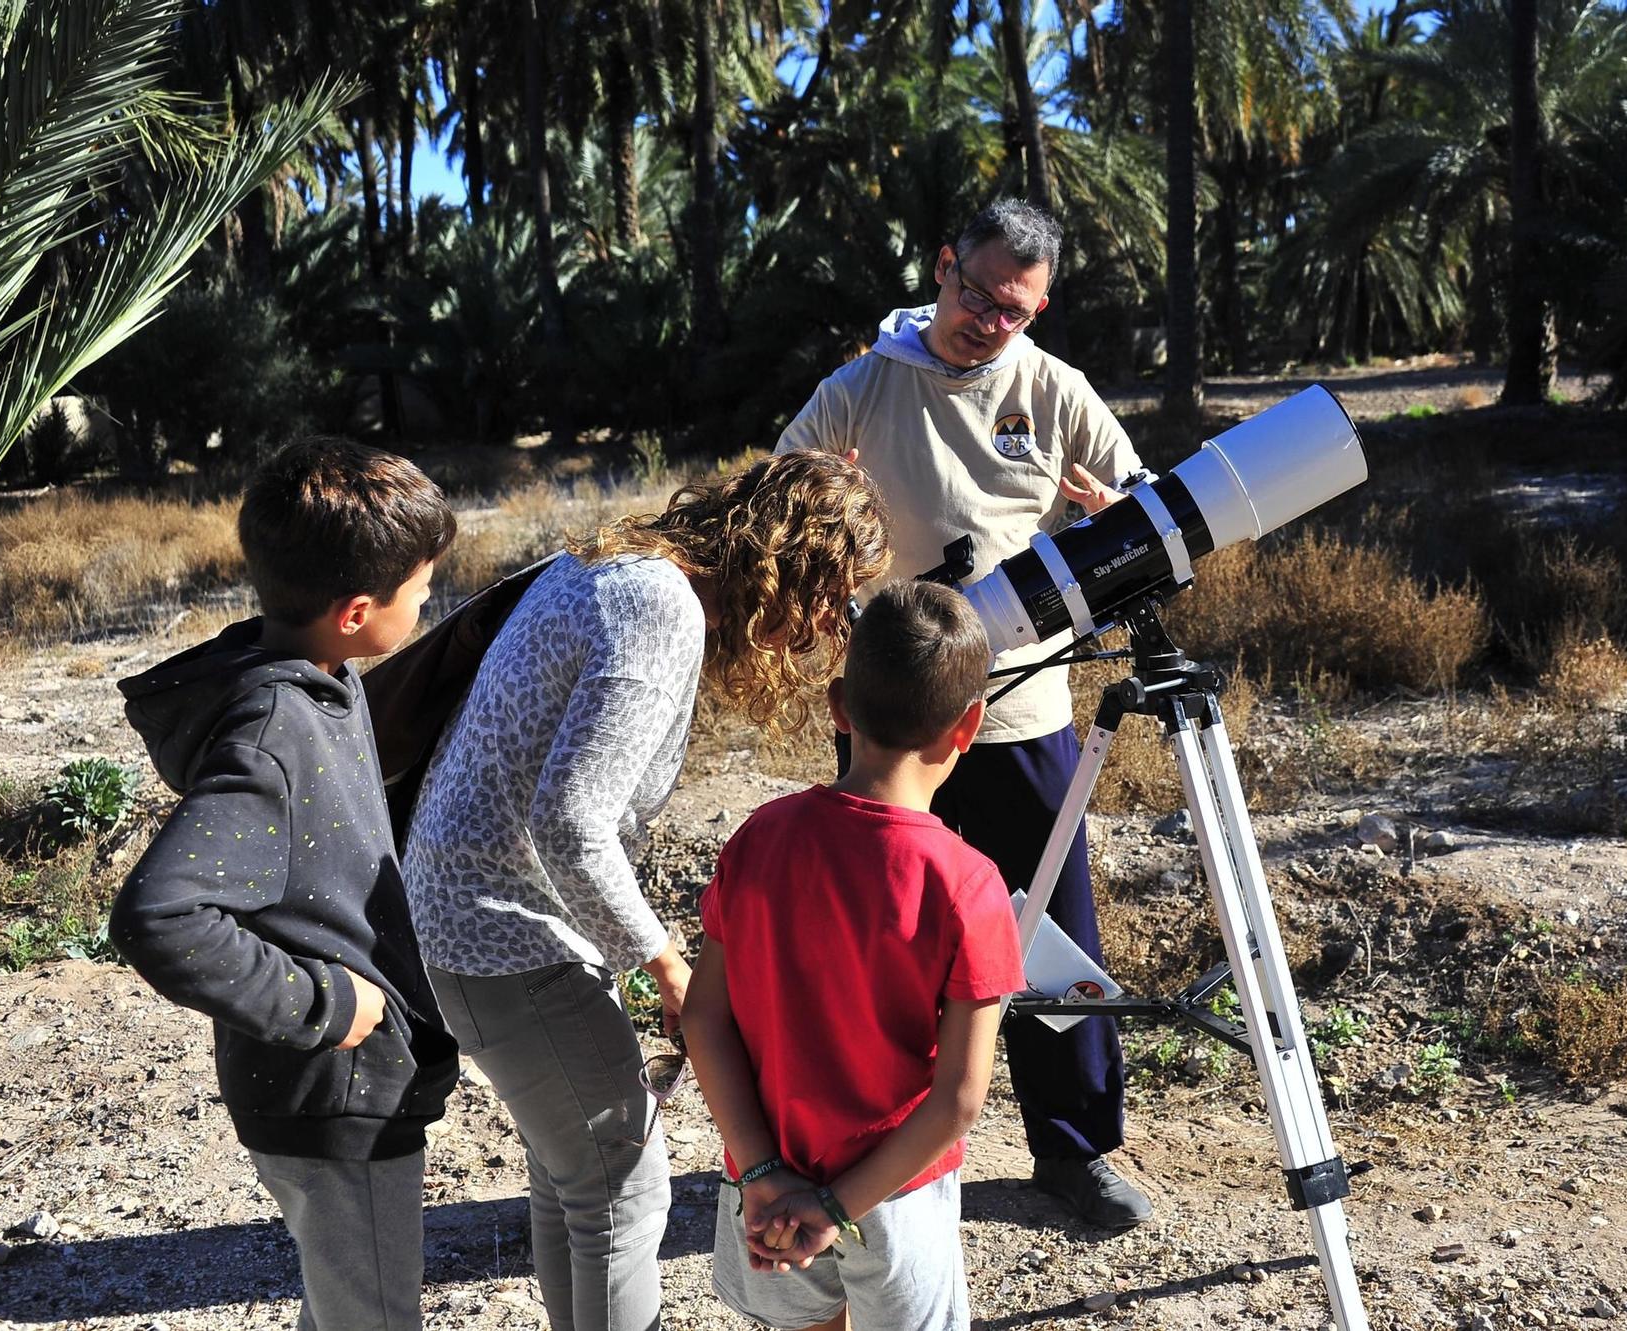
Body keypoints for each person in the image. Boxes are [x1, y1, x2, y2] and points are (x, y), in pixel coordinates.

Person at [400, 451, 890, 1331]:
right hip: (504, 930)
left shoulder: (620, 566)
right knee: (623, 1187)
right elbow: (570, 820)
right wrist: (666, 963)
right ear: (790, 558)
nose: (823, 626)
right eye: (828, 592)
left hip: (458, 913)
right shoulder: (660, 607)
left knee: (572, 1175)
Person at [774, 198, 1153, 1228]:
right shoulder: (862, 386)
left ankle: (1073, 1152)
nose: (991, 322)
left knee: (1047, 933)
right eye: (979, 296)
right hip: (889, 715)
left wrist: (1116, 518)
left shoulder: (1051, 388)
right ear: (943, 267)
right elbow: (776, 494)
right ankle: (878, 1150)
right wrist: (816, 536)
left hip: (1022, 711)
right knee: (883, 932)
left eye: (1017, 311)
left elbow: (1146, 499)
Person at [110, 438, 461, 1331]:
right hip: (333, 1093)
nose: (428, 601)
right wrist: (324, 1003)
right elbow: (161, 914)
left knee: (347, 1308)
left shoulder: (319, 678)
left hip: (333, 1092)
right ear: (353, 610)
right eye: (420, 588)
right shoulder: (274, 729)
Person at [683, 581, 1028, 1331]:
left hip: (765, 1180)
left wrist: (767, 1171)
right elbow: (959, 1099)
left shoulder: (759, 838)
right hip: (895, 1195)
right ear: (969, 726)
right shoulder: (969, 885)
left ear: (839, 705)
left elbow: (703, 1016)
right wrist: (838, 1204)